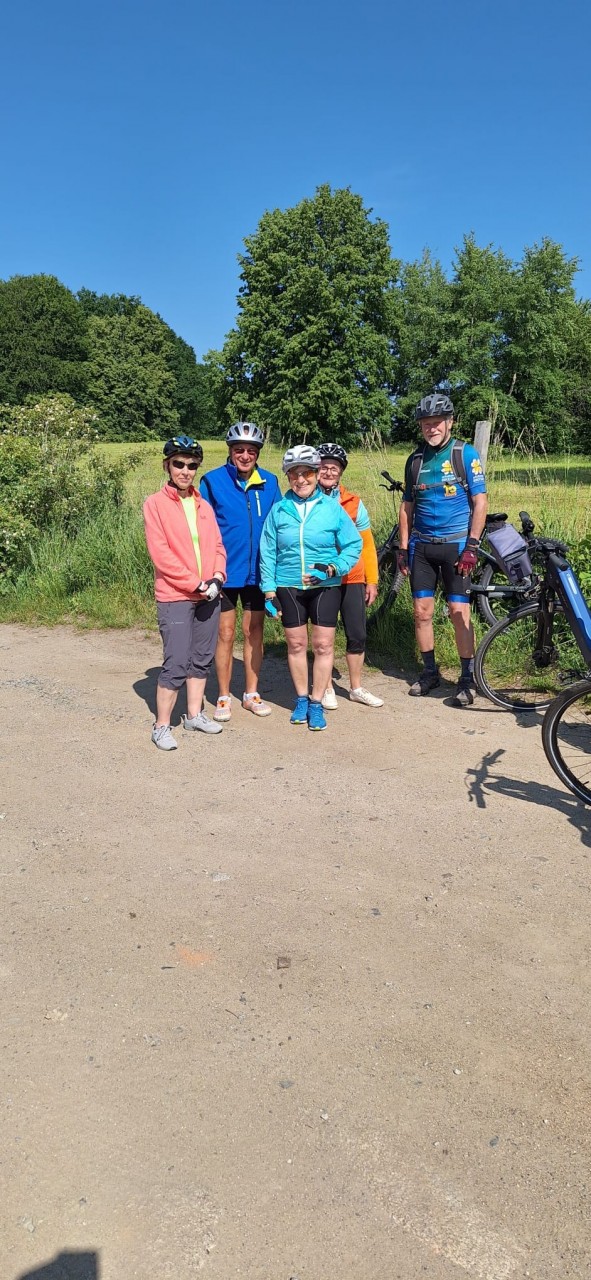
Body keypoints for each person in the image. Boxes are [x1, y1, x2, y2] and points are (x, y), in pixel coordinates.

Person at [259, 444, 362, 731]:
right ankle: (302, 699)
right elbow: (267, 551)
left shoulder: (332, 508)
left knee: (323, 645)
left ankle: (317, 702)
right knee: (296, 644)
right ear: (288, 477)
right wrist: (268, 591)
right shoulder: (279, 510)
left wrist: (334, 568)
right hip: (287, 585)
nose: (301, 479)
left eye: (306, 473)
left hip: (325, 586)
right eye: (294, 474)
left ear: (316, 475)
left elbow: (353, 545)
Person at [398, 394, 488, 707]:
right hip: (422, 547)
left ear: (450, 422)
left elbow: (480, 501)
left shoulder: (464, 453)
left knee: (458, 612)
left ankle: (467, 678)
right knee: (421, 612)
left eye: (436, 423)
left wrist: (472, 545)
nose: (431, 428)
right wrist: (402, 547)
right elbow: (407, 506)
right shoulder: (415, 460)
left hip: (457, 545)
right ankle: (430, 672)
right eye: (426, 424)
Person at [143, 436, 227, 750]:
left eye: (192, 465)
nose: (185, 471)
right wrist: (195, 583)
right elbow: (161, 554)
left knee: (201, 658)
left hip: (209, 593)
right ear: (167, 465)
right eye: (178, 464)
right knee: (176, 661)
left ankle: (194, 715)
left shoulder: (203, 505)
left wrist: (217, 577)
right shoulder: (155, 504)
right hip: (176, 594)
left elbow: (218, 546)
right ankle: (162, 725)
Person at [200, 422, 282, 721]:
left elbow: (279, 524)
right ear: (230, 451)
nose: (245, 456)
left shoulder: (270, 482)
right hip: (223, 571)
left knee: (254, 632)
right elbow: (203, 527)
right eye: (239, 450)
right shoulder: (212, 481)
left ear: (257, 453)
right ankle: (223, 695)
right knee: (224, 633)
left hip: (258, 572)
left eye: (251, 451)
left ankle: (251, 693)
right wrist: (208, 570)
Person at [316, 443, 383, 709]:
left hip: (353, 577)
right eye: (323, 467)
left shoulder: (354, 503)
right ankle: (326, 687)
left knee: (357, 634)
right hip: (323, 579)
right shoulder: (309, 500)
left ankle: (356, 687)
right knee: (325, 637)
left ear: (341, 472)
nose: (328, 472)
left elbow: (367, 544)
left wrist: (372, 580)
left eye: (334, 468)